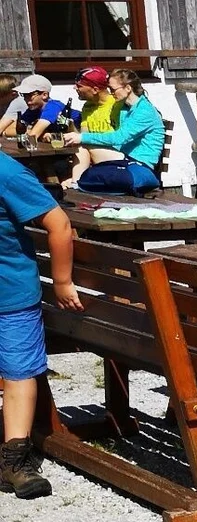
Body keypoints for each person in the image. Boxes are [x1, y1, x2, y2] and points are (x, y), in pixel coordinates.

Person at [0, 152, 81, 499]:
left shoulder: (7, 172)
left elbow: (59, 223)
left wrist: (61, 281)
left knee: (19, 372)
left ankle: (15, 460)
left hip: (12, 295)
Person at [61, 70, 162, 182]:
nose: (111, 93)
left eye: (113, 89)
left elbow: (119, 138)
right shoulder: (124, 108)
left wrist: (81, 137)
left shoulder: (144, 111)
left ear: (128, 88)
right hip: (125, 157)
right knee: (82, 146)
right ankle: (76, 182)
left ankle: (76, 182)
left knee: (83, 144)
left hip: (140, 164)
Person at [64, 67, 124, 184]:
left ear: (95, 89)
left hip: (121, 157)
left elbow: (122, 138)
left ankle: (77, 183)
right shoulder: (88, 106)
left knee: (81, 146)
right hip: (97, 156)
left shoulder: (117, 105)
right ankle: (76, 182)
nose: (75, 88)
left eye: (79, 85)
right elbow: (84, 134)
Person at [9, 75, 78, 143]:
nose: (26, 99)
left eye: (30, 95)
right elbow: (9, 130)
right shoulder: (34, 109)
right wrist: (40, 133)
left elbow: (32, 137)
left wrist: (34, 133)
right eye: (24, 95)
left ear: (45, 95)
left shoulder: (53, 107)